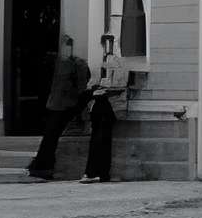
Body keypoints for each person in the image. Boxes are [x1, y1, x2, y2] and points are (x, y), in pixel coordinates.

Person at [25, 33, 88, 181]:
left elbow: (81, 87)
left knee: (51, 136)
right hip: (55, 104)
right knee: (49, 136)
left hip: (66, 105)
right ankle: (42, 166)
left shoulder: (77, 64)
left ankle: (43, 166)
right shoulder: (56, 62)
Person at [82, 31, 132, 183]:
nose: (108, 46)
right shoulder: (99, 64)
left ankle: (100, 172)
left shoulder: (121, 64)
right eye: (106, 43)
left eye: (111, 42)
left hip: (110, 106)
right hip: (99, 106)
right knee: (97, 140)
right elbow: (91, 84)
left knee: (103, 140)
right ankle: (95, 172)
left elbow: (121, 84)